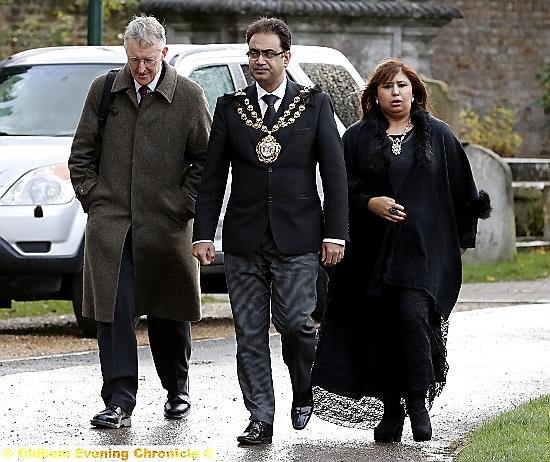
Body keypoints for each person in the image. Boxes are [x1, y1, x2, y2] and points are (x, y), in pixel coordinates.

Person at [311, 58, 491, 442]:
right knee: (378, 328)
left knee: (411, 318)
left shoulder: (439, 136)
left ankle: (417, 402)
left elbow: (465, 193)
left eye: (402, 86)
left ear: (415, 91)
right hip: (371, 256)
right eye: (387, 87)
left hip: (423, 255)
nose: (396, 93)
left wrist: (457, 246)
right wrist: (370, 202)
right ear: (374, 94)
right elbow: (342, 192)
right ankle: (391, 409)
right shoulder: (357, 138)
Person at [192, 17, 348, 445]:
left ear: (286, 57)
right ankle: (259, 415)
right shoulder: (230, 106)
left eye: (268, 54)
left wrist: (336, 233)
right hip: (244, 239)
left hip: (299, 237)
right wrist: (203, 232)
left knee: (297, 324)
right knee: (249, 332)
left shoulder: (314, 104)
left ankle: (303, 388)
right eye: (253, 53)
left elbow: (334, 175)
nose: (259, 61)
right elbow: (212, 177)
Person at [68, 15, 211, 429]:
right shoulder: (104, 90)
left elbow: (205, 160)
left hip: (166, 226)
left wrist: (181, 205)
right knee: (113, 312)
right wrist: (95, 200)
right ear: (125, 55)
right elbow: (81, 155)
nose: (142, 69)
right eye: (134, 61)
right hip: (112, 226)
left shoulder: (188, 95)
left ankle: (177, 390)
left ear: (164, 53)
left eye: (149, 60)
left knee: (169, 311)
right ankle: (118, 400)